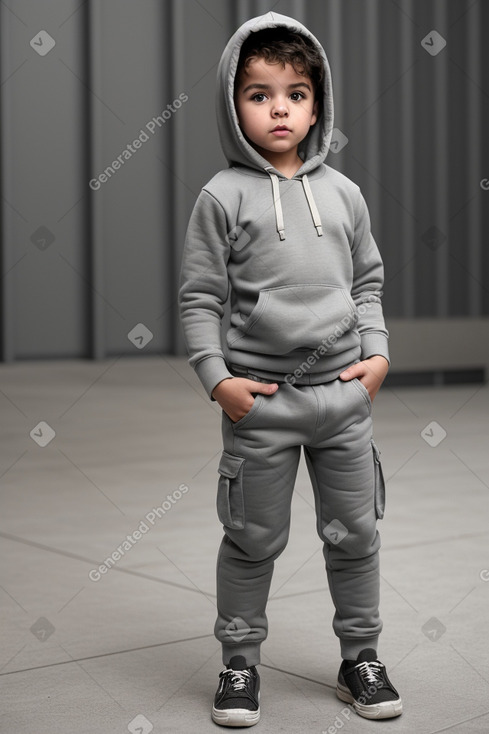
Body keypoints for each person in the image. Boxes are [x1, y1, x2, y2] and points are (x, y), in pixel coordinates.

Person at [179, 11, 402, 728]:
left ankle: (359, 658)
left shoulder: (343, 194)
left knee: (355, 533)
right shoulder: (221, 197)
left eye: (296, 93)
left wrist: (375, 357)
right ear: (231, 103)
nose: (279, 108)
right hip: (261, 403)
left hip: (343, 398)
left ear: (317, 104)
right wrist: (219, 380)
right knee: (252, 538)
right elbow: (199, 298)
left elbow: (366, 282)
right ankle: (239, 664)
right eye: (258, 92)